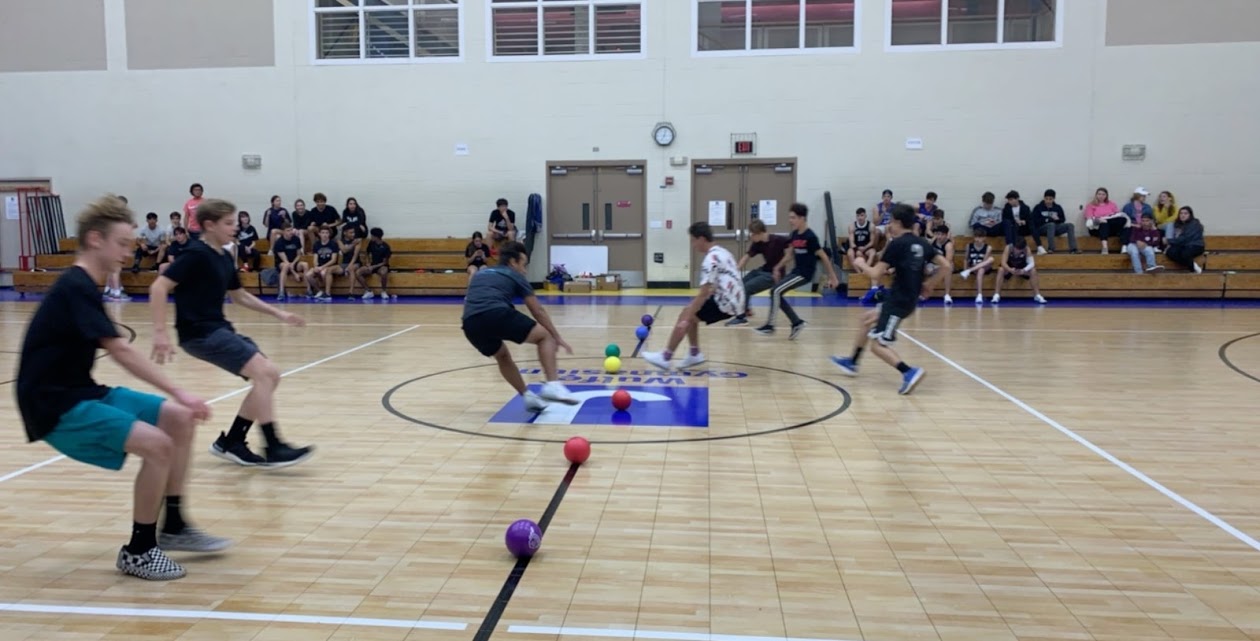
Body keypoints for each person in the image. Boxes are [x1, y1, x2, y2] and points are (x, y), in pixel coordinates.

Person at [17, 195, 227, 581]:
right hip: (54, 405)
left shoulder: (86, 285)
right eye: (123, 244)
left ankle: (175, 525)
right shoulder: (75, 286)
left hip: (82, 390)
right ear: (95, 239)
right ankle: (140, 550)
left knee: (179, 421)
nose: (129, 254)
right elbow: (119, 349)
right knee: (158, 444)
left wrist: (180, 401)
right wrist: (181, 390)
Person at [149, 198, 314, 468]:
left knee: (270, 375)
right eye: (228, 223)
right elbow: (158, 287)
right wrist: (160, 333)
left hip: (219, 329)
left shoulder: (224, 256)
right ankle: (273, 446)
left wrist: (279, 313)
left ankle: (232, 442)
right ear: (209, 225)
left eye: (234, 222)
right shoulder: (194, 253)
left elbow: (239, 296)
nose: (234, 227)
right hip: (199, 333)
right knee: (262, 373)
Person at [830, 204, 951, 395]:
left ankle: (909, 372)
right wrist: (930, 284)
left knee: (878, 346)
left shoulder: (896, 244)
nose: (888, 226)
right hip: (904, 299)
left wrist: (860, 263)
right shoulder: (922, 243)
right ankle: (852, 362)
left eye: (890, 222)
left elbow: (876, 273)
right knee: (866, 320)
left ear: (898, 222)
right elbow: (945, 265)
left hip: (898, 302)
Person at [461, 241, 576, 411]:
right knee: (545, 337)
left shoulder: (481, 274)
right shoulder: (514, 275)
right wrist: (556, 337)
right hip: (495, 313)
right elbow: (538, 311)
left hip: (469, 323)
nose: (525, 270)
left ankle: (528, 396)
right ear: (513, 262)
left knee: (502, 356)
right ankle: (552, 384)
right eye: (524, 264)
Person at [642, 222, 746, 370]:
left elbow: (703, 293)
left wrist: (686, 319)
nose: (693, 245)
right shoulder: (723, 252)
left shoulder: (710, 259)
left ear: (702, 239)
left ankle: (666, 356)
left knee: (687, 314)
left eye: (693, 240)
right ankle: (694, 353)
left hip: (726, 302)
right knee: (691, 312)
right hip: (737, 300)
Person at [756, 203, 840, 340]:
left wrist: (833, 277)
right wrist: (777, 267)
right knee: (776, 293)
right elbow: (789, 255)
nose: (790, 220)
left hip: (805, 274)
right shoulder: (794, 234)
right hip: (796, 272)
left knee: (775, 291)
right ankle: (796, 322)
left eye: (793, 218)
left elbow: (824, 256)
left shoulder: (810, 236)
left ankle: (770, 326)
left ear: (802, 218)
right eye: (790, 217)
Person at [726, 218, 788, 326]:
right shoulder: (757, 243)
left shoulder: (777, 240)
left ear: (759, 233)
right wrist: (735, 272)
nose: (750, 236)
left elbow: (792, 247)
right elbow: (746, 257)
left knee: (747, 287)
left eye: (752, 234)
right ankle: (746, 309)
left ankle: (741, 318)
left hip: (774, 275)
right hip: (764, 270)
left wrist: (780, 266)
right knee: (741, 284)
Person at [993, 237, 1047, 304]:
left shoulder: (1027, 249)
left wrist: (1024, 270)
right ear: (1014, 245)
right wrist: (1010, 270)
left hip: (1021, 267)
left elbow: (1032, 263)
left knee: (1033, 270)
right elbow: (1003, 262)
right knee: (1000, 269)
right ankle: (996, 295)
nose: (1018, 251)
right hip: (1010, 267)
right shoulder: (1008, 247)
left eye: (1020, 249)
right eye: (1017, 249)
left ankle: (1037, 295)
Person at [1163, 206, 1205, 273]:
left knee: (1185, 254)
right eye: (1181, 213)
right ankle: (1193, 265)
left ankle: (1193, 270)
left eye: (1185, 213)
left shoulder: (1194, 224)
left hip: (1196, 245)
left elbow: (1185, 238)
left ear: (1190, 215)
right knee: (1170, 252)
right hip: (1184, 245)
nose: (1183, 215)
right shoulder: (1178, 224)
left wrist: (1169, 241)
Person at [959, 230, 995, 305]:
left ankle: (979, 294)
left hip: (984, 267)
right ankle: (979, 294)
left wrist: (969, 270)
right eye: (976, 237)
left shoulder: (988, 247)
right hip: (972, 265)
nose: (978, 239)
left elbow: (984, 262)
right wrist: (965, 269)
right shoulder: (969, 246)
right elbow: (966, 259)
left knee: (990, 260)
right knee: (980, 270)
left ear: (984, 238)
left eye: (980, 237)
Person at [929, 224, 955, 306]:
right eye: (938, 234)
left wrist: (938, 265)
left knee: (948, 268)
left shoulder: (948, 245)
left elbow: (948, 261)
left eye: (942, 235)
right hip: (933, 264)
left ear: (946, 235)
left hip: (944, 265)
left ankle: (947, 294)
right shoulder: (933, 241)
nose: (939, 237)